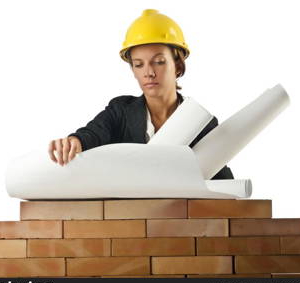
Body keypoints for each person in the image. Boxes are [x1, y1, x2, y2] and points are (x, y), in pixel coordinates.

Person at [48, 9, 234, 179]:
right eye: (139, 64)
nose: (149, 72)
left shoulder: (200, 122)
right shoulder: (120, 112)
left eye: (159, 62)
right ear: (133, 70)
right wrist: (75, 141)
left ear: (177, 65)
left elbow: (222, 181)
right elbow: (94, 133)